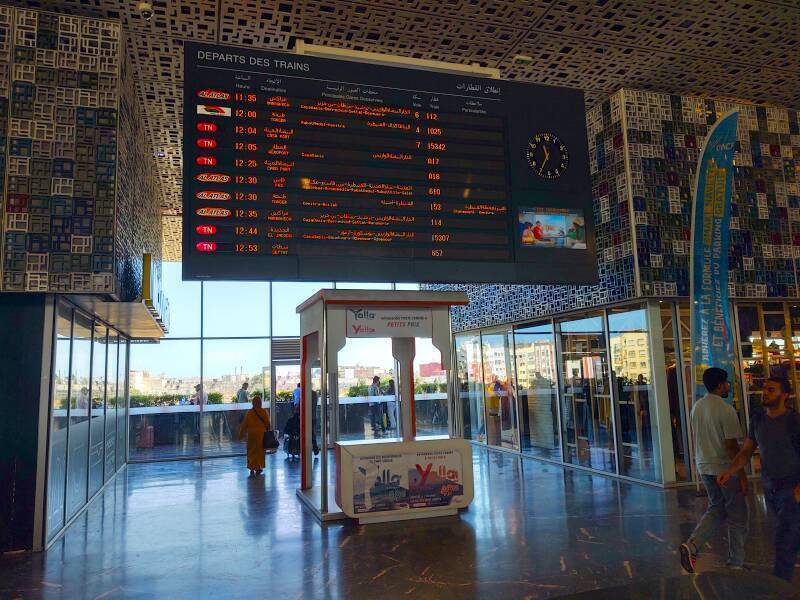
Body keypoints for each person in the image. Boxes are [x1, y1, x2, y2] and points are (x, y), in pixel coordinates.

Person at [717, 377, 800, 581]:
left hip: (791, 485)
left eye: (771, 390)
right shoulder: (758, 420)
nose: (765, 393)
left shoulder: (794, 421)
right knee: (788, 530)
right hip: (770, 484)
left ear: (785, 395)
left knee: (784, 536)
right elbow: (746, 451)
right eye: (764, 389)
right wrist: (730, 470)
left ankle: (780, 585)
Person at [679, 367, 748, 574]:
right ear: (720, 385)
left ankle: (692, 546)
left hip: (704, 465)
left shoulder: (697, 407)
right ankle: (736, 562)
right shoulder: (726, 410)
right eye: (726, 383)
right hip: (724, 469)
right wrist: (741, 473)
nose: (728, 386)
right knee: (738, 516)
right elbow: (731, 446)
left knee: (716, 507)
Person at [238, 392, 271, 476]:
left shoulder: (250, 413)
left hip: (252, 435)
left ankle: (252, 467)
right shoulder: (263, 412)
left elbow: (245, 424)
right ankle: (259, 467)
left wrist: (241, 435)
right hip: (261, 435)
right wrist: (269, 430)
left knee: (251, 451)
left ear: (253, 403)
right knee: (260, 452)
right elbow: (267, 423)